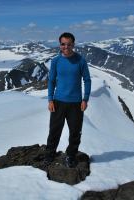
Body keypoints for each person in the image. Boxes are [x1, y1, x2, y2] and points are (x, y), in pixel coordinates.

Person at [45, 32, 91, 168]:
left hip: (76, 103)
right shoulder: (56, 61)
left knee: (75, 132)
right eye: (63, 44)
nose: (66, 47)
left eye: (69, 44)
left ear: (73, 44)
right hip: (58, 102)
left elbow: (87, 80)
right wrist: (50, 99)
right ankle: (50, 154)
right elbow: (51, 81)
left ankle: (71, 155)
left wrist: (85, 99)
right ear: (60, 45)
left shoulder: (80, 60)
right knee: (54, 130)